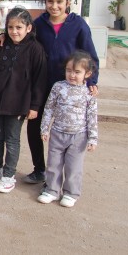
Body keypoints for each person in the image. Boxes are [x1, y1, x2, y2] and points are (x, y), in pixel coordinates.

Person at [0, 0, 100, 184]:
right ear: (45, 2)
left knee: (64, 131)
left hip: (69, 88)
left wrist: (92, 81)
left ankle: (61, 177)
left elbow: (90, 55)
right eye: (50, 1)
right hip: (41, 84)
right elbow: (20, 33)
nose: (54, 6)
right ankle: (39, 169)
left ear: (67, 3)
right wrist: (3, 35)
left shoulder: (78, 25)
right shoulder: (39, 24)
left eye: (59, 2)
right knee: (35, 127)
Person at [0, 7, 47, 193]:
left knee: (12, 139)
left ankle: (8, 176)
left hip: (19, 103)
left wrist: (34, 106)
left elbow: (39, 80)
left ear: (28, 28)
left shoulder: (35, 49)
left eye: (19, 27)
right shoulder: (2, 45)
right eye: (10, 27)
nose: (14, 31)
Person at [37, 50, 98, 208]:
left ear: (87, 73)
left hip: (78, 137)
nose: (72, 75)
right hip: (57, 133)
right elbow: (49, 108)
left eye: (77, 72)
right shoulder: (58, 87)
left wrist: (93, 138)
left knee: (73, 167)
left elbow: (92, 117)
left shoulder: (89, 93)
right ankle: (52, 190)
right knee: (53, 164)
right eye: (69, 71)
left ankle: (71, 193)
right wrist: (45, 129)